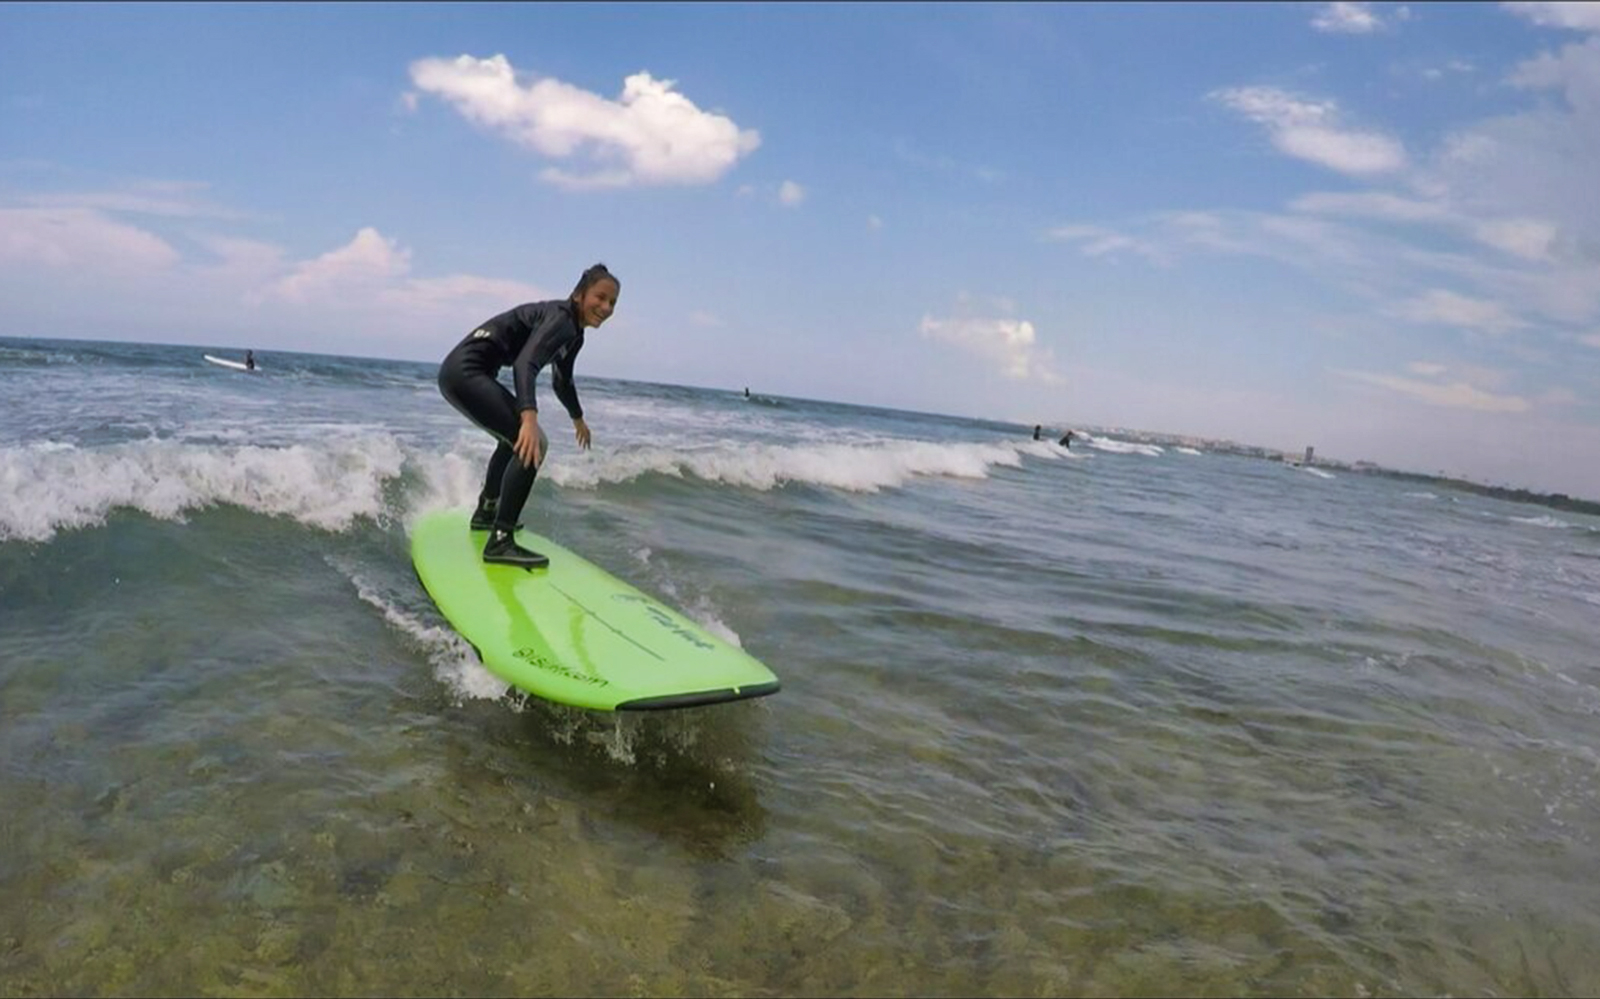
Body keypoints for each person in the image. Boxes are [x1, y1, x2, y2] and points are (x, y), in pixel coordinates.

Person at [437, 262, 620, 568]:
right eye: (600, 297)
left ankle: (486, 512)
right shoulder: (562, 319)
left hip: (461, 373)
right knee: (533, 442)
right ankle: (501, 540)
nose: (606, 307)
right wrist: (529, 417)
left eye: (612, 302)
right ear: (579, 295)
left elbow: (562, 380)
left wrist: (578, 418)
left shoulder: (574, 334)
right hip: (465, 373)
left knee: (512, 440)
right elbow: (526, 364)